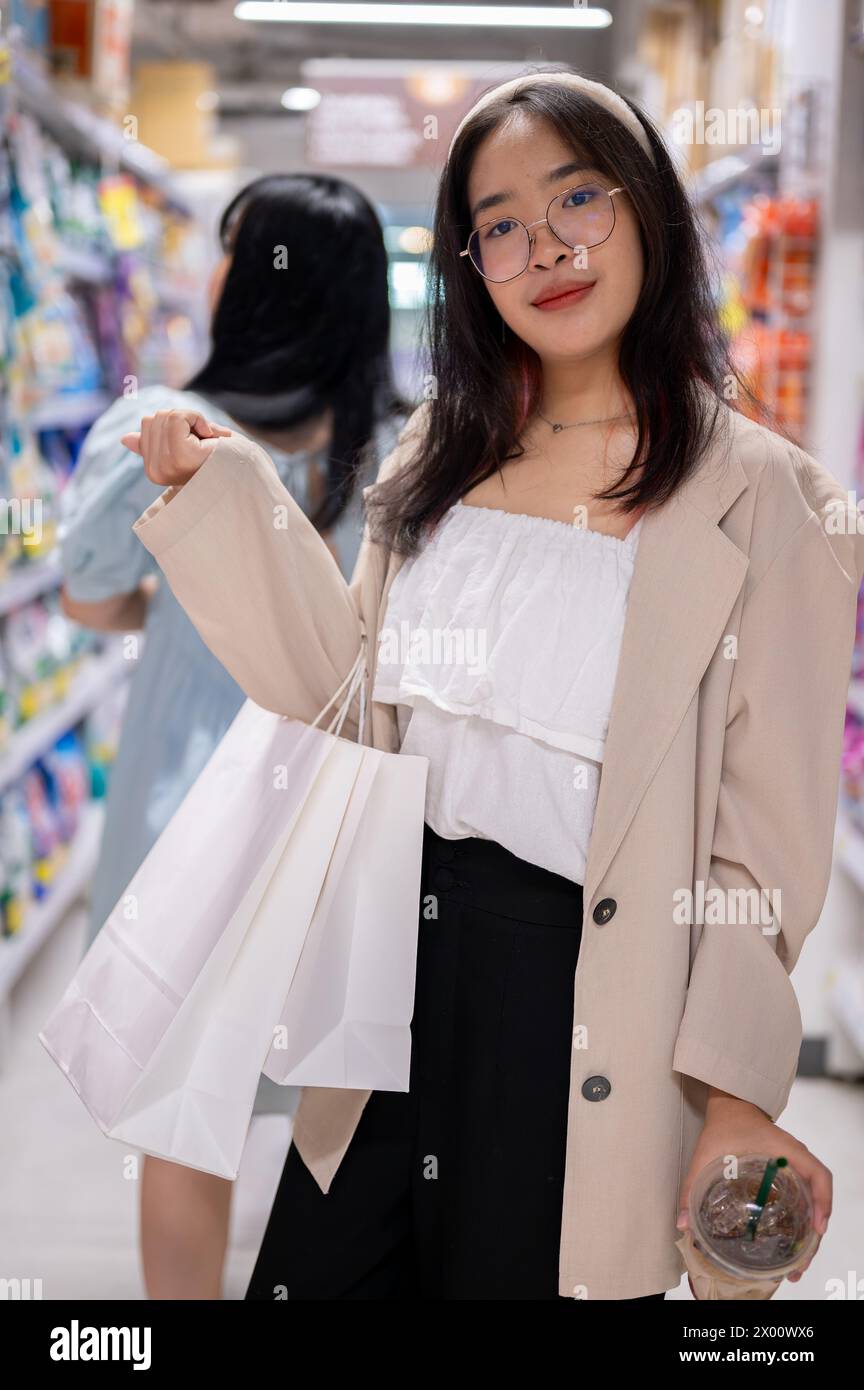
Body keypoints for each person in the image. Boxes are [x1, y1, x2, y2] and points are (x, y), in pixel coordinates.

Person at [123, 70, 863, 1300]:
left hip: (580, 1000)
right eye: (503, 224)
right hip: (391, 980)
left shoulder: (765, 497)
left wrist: (735, 1100)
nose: (548, 247)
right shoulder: (439, 451)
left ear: (652, 214)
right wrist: (233, 498)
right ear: (470, 263)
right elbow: (344, 704)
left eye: (581, 195)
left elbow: (761, 861)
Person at [58, 172, 409, 1299]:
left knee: (181, 1103)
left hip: (183, 800)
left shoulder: (154, 430)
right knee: (340, 1098)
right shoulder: (402, 450)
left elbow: (91, 589)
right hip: (340, 803)